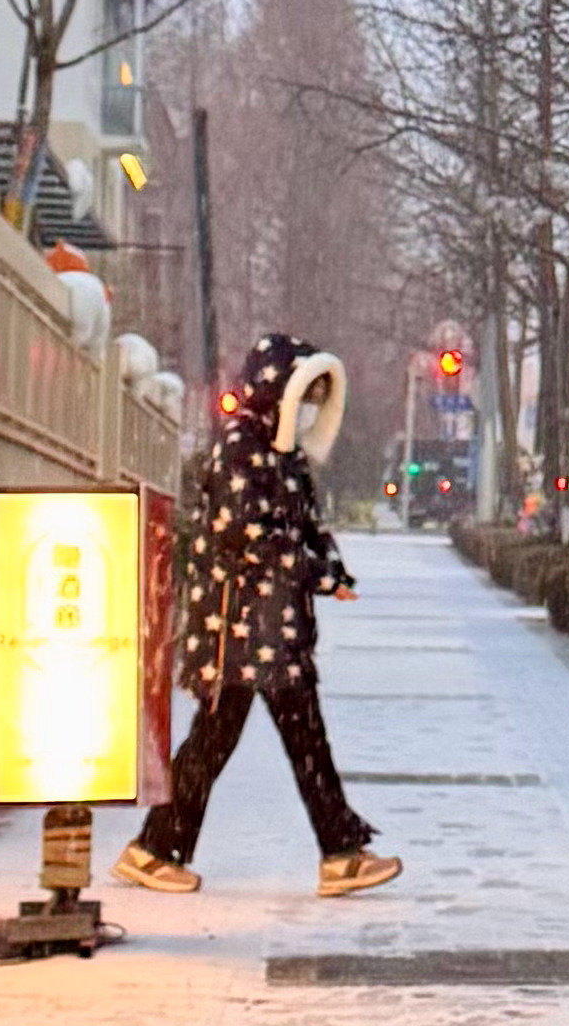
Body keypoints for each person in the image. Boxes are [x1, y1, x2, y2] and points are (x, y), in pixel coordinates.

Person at [119, 330, 402, 902]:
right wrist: (319, 575)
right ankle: (160, 848)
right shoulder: (240, 450)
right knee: (235, 743)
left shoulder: (281, 457)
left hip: (274, 632)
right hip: (238, 633)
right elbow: (254, 539)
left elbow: (304, 530)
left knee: (275, 742)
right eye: (307, 399)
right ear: (280, 393)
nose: (310, 414)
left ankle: (164, 846)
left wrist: (333, 572)